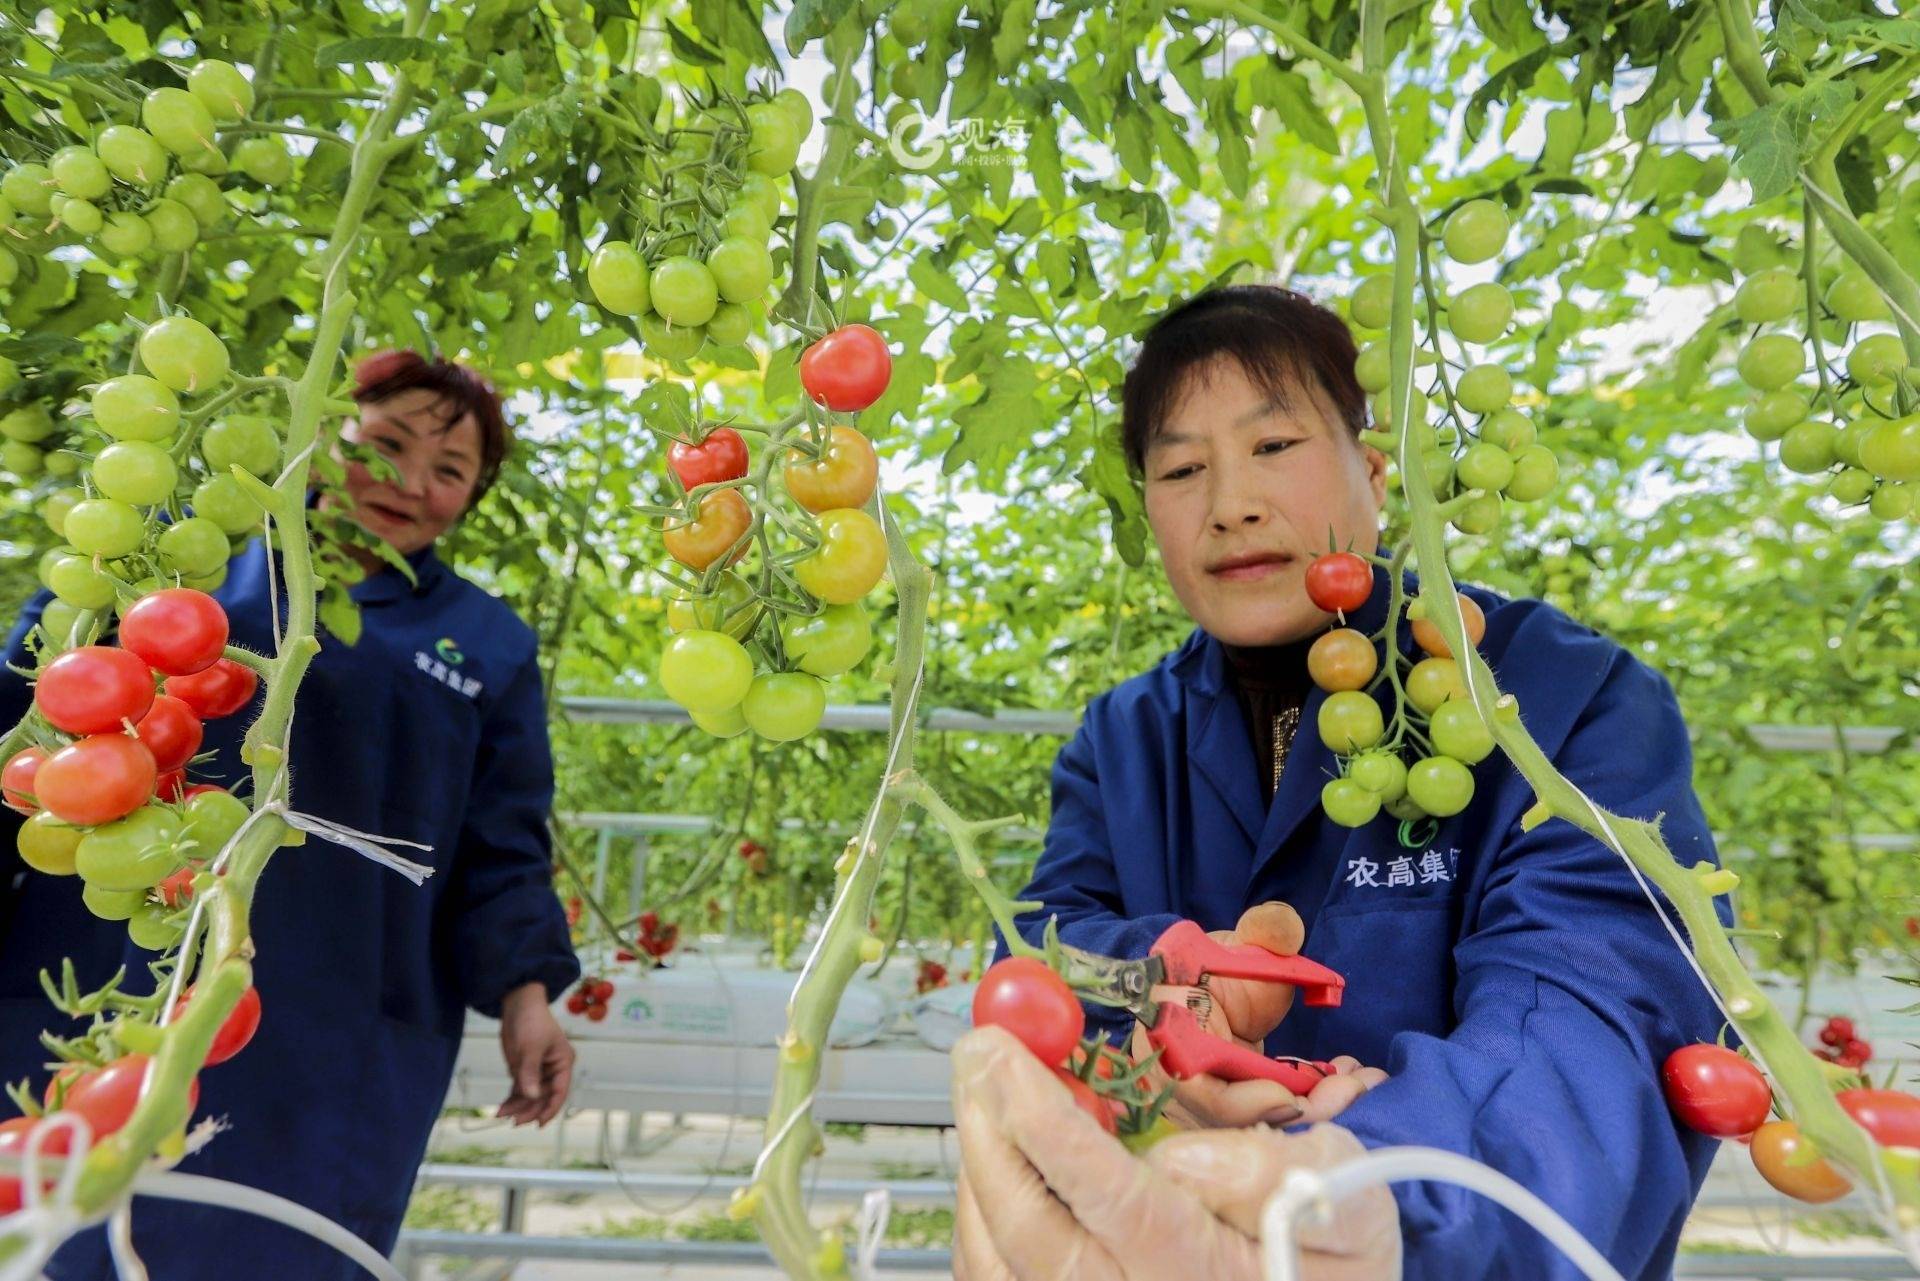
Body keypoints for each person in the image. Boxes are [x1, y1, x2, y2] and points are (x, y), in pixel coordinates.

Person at [955, 286, 1729, 1280]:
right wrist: (1167, 986)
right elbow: (1039, 950)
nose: (1231, 504)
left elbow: (1594, 1012)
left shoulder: (1553, 699)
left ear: (1372, 471)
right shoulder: (1123, 737)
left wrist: (1383, 1191)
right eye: (1182, 468)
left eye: (1274, 446)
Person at [0, 351, 581, 1278]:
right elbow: (27, 742)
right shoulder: (172, 572)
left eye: (450, 469)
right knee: (80, 1230)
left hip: (337, 1020)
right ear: (320, 438)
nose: (410, 483)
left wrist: (527, 995)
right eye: (386, 444)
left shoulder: (485, 642)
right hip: (119, 968)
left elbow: (501, 840)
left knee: (287, 1245)